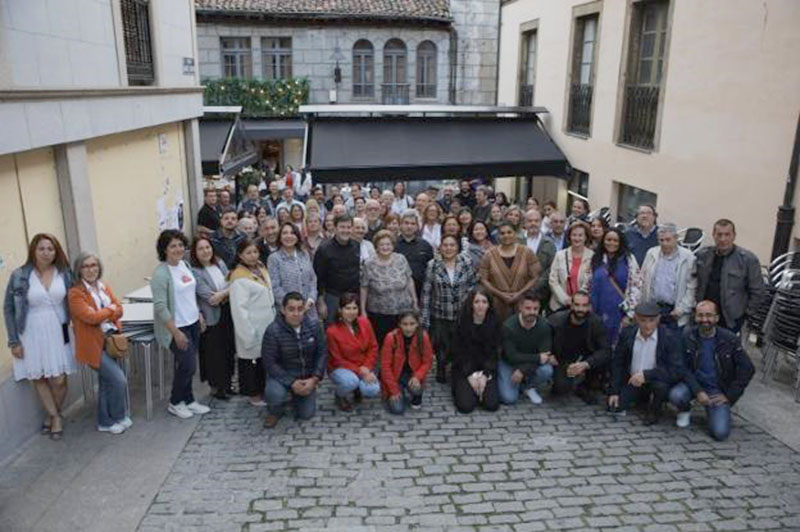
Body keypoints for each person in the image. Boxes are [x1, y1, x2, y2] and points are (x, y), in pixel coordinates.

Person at [4, 234, 74, 440]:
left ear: (56, 252)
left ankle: (51, 415)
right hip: (30, 331)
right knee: (39, 376)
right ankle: (55, 417)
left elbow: (76, 298)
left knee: (60, 379)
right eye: (41, 248)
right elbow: (8, 309)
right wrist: (14, 341)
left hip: (59, 329)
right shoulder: (19, 275)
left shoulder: (64, 273)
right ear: (33, 250)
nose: (46, 253)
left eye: (50, 249)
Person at [668, 301, 755, 440]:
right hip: (694, 385)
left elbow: (748, 368)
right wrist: (698, 391)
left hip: (717, 391)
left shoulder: (729, 339)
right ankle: (685, 410)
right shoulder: (687, 335)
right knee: (675, 395)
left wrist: (730, 395)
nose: (704, 320)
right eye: (700, 315)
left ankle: (718, 411)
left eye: (709, 315)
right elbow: (682, 368)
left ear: (716, 318)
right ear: (695, 317)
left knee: (720, 433)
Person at [151, 230, 211, 420]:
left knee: (189, 365)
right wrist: (175, 332)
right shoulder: (161, 274)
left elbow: (190, 294)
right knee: (188, 365)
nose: (177, 249)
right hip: (177, 327)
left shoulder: (185, 265)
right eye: (172, 246)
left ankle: (189, 399)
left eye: (180, 245)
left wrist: (199, 315)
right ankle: (175, 402)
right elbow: (160, 307)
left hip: (192, 322)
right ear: (164, 250)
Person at [69, 252, 130, 434]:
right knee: (118, 380)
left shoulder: (104, 287)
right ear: (79, 270)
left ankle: (107, 421)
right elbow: (90, 318)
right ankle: (116, 415)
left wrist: (108, 311)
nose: (90, 269)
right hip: (93, 344)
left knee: (106, 382)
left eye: (93, 265)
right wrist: (109, 310)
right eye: (86, 266)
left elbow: (120, 309)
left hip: (111, 340)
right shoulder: (75, 293)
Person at [608, 302, 684, 425]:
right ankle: (641, 399)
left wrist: (647, 375)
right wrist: (614, 391)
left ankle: (655, 409)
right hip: (632, 380)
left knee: (660, 387)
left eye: (651, 321)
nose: (647, 325)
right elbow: (618, 363)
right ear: (636, 319)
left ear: (658, 319)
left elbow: (676, 370)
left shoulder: (669, 337)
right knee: (614, 406)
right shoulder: (627, 334)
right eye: (643, 321)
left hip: (656, 380)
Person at [262, 292, 328, 428]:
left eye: (300, 309)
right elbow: (269, 363)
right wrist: (291, 382)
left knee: (306, 414)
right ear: (283, 310)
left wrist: (314, 379)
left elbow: (322, 354)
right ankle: (275, 411)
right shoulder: (273, 331)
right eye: (291, 309)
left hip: (306, 377)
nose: (296, 313)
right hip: (281, 376)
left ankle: (297, 396)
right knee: (275, 394)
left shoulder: (314, 326)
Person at [421, 234, 478, 383]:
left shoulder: (466, 262)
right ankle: (441, 367)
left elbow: (473, 285)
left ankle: (457, 368)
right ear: (440, 247)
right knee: (441, 346)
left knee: (460, 343)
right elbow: (427, 292)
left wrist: (470, 304)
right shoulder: (432, 265)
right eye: (445, 245)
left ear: (457, 247)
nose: (448, 248)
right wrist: (424, 319)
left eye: (452, 245)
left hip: (462, 312)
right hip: (441, 313)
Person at [229, 238, 276, 407]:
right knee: (250, 361)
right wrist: (247, 334)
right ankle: (253, 395)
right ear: (240, 255)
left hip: (266, 322)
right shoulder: (238, 277)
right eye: (248, 253)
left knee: (263, 360)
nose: (252, 256)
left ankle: (264, 390)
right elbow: (239, 310)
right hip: (251, 326)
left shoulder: (261, 268)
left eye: (255, 252)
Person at [695, 219, 764, 333]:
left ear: (734, 236)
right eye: (719, 235)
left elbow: (758, 291)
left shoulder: (748, 260)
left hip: (730, 319)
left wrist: (745, 315)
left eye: (727, 234)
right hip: (704, 317)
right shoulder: (703, 255)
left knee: (725, 350)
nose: (723, 239)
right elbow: (694, 280)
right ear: (713, 235)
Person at [191, 236, 235, 400]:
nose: (205, 251)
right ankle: (217, 387)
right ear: (195, 252)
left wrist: (223, 294)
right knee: (214, 353)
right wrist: (226, 293)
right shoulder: (195, 271)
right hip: (211, 316)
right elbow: (208, 297)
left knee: (229, 350)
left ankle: (228, 383)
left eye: (207, 247)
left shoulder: (220, 263)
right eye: (201, 249)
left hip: (227, 312)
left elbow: (233, 281)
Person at [548, 291, 610, 404]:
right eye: (577, 305)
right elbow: (545, 341)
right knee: (561, 388)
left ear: (589, 307)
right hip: (563, 359)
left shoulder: (596, 322)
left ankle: (586, 384)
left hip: (586, 359)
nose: (580, 309)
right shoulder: (556, 320)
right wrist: (550, 355)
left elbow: (606, 350)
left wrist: (585, 364)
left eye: (584, 305)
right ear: (571, 305)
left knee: (602, 363)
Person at [360, 230, 417, 345]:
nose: (385, 247)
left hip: (402, 310)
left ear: (393, 245)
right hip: (379, 313)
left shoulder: (401, 259)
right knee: (383, 343)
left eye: (388, 244)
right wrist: (363, 310)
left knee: (402, 343)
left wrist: (414, 301)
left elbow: (409, 280)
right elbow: (364, 287)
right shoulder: (369, 263)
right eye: (382, 244)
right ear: (376, 246)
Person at [326, 293, 381, 411]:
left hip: (363, 365)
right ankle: (339, 395)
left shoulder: (365, 323)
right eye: (347, 308)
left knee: (372, 390)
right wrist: (361, 371)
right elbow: (337, 359)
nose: (351, 312)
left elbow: (373, 347)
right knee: (351, 381)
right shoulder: (332, 331)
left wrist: (367, 366)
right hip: (341, 367)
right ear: (340, 310)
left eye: (354, 308)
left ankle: (358, 389)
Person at [498, 292, 555, 405]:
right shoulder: (508, 327)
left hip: (529, 363)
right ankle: (510, 382)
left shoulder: (544, 326)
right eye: (528, 308)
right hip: (509, 363)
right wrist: (538, 358)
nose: (532, 312)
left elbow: (545, 356)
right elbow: (512, 356)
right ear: (520, 307)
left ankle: (527, 386)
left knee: (547, 370)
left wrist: (522, 370)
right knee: (509, 399)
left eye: (535, 309)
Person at [480, 222, 541, 322]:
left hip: (523, 303)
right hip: (497, 304)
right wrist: (500, 294)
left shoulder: (527, 252)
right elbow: (483, 279)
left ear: (515, 234)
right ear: (498, 236)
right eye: (502, 233)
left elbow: (535, 276)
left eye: (509, 232)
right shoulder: (489, 254)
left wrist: (520, 293)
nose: (506, 236)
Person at [451, 289, 501, 413]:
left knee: (491, 405)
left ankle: (479, 390)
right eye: (477, 302)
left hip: (486, 369)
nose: (480, 305)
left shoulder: (495, 323)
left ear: (489, 305)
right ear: (471, 304)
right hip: (464, 369)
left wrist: (484, 375)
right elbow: (457, 353)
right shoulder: (461, 323)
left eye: (484, 302)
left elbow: (495, 353)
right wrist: (470, 376)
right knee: (465, 407)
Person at [640, 223, 697, 329]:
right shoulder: (651, 253)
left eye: (668, 240)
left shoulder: (688, 257)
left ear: (676, 238)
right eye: (661, 240)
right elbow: (643, 279)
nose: (664, 243)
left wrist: (681, 309)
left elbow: (692, 287)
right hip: (653, 308)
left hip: (674, 311)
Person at [590, 228, 641, 345]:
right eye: (608, 240)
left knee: (617, 348)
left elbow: (636, 286)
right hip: (597, 313)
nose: (611, 243)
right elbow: (588, 284)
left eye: (615, 240)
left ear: (620, 242)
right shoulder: (596, 259)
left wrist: (630, 314)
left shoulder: (628, 259)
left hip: (620, 314)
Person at [380, 311, 433, 415]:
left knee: (416, 389)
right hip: (395, 376)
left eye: (412, 324)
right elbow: (385, 366)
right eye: (405, 324)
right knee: (397, 409)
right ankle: (399, 392)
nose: (408, 328)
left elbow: (427, 361)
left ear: (417, 323)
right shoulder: (391, 338)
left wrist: (417, 376)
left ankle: (416, 395)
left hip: (412, 375)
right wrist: (393, 390)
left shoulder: (423, 337)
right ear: (399, 324)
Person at [314, 214, 361, 324]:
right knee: (332, 330)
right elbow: (318, 278)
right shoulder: (324, 249)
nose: (345, 230)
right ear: (335, 228)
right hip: (333, 297)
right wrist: (320, 302)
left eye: (348, 227)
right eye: (342, 227)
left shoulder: (356, 245)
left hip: (353, 296)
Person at [268, 222, 318, 321]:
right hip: (288, 313)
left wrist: (311, 299)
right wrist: (293, 307)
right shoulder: (274, 258)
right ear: (280, 237)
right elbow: (275, 287)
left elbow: (312, 279)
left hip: (309, 310)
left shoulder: (304, 254)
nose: (289, 236)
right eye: (285, 233)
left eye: (292, 233)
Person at [549, 221, 594, 312]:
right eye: (574, 235)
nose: (577, 238)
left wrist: (577, 301)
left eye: (580, 235)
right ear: (569, 236)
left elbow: (590, 282)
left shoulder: (592, 257)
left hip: (582, 308)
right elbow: (553, 280)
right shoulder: (559, 255)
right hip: (559, 306)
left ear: (586, 237)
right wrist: (565, 299)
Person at [395, 210, 434, 301]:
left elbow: (431, 268)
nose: (409, 226)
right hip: (397, 292)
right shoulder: (393, 244)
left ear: (417, 226)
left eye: (413, 224)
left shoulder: (425, 245)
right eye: (406, 223)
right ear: (400, 225)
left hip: (421, 292)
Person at [522, 209, 556, 303]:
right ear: (524, 223)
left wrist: (537, 284)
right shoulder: (518, 241)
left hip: (541, 291)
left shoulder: (549, 243)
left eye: (536, 221)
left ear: (541, 222)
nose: (533, 223)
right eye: (530, 221)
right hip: (519, 290)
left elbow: (552, 267)